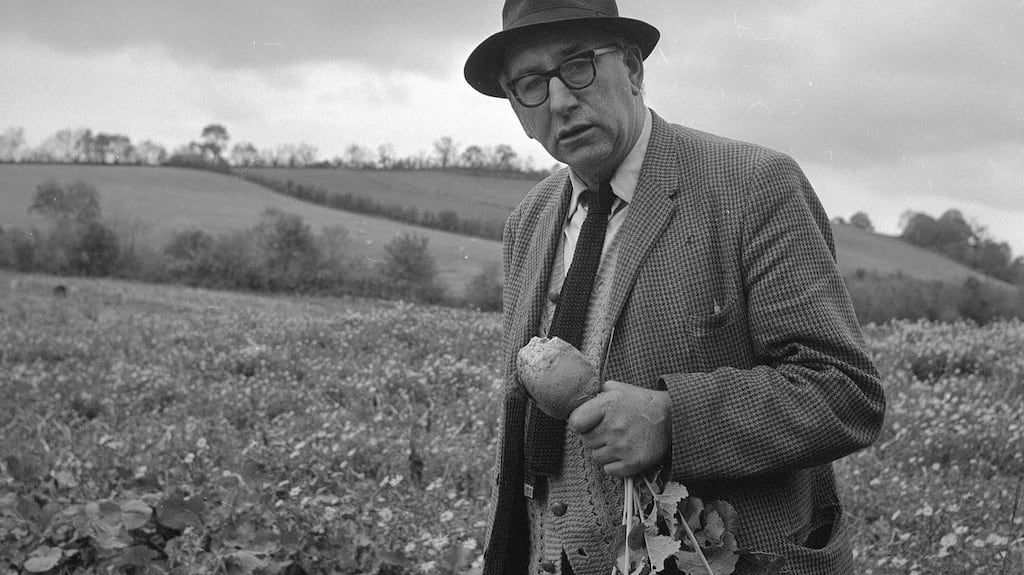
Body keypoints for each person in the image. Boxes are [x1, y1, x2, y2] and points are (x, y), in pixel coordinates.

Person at [463, 1, 887, 574]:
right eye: (531, 84)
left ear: (634, 70)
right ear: (515, 106)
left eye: (579, 66)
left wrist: (672, 418)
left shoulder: (753, 186)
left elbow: (845, 392)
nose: (560, 99)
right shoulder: (528, 222)